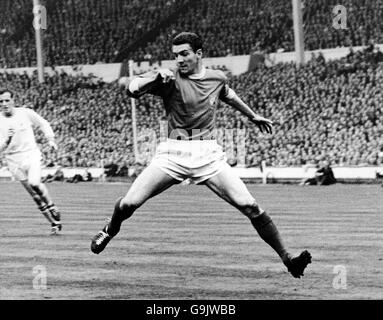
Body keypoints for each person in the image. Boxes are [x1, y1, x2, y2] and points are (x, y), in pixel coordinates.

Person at [91, 32, 311, 278]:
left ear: (199, 54)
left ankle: (288, 259)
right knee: (130, 203)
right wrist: (154, 76)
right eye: (175, 55)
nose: (179, 60)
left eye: (184, 54)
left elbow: (228, 94)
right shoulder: (168, 78)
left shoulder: (216, 78)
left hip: (207, 155)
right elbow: (132, 90)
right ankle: (110, 229)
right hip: (173, 153)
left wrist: (252, 116)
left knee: (251, 206)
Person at [0, 89, 62, 235]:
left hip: (31, 154)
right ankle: (54, 223)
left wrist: (50, 139)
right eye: (1, 101)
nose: (4, 104)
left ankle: (52, 205)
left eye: (7, 100)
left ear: (13, 100)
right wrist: (7, 140)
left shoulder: (25, 113)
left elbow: (43, 123)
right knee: (34, 195)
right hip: (13, 160)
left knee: (35, 183)